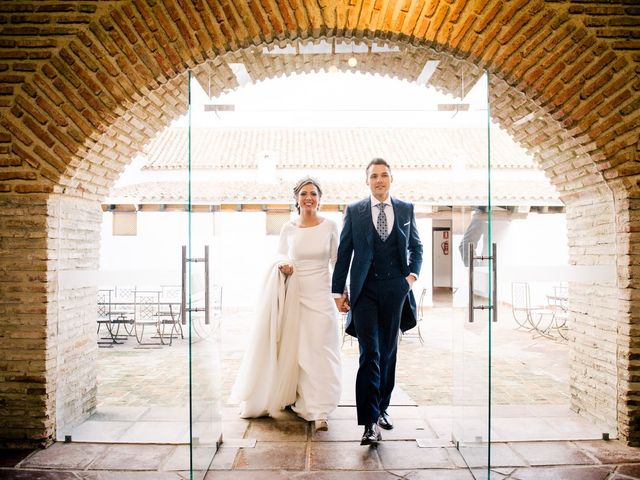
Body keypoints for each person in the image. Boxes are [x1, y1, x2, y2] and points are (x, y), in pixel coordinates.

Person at [230, 177, 342, 432]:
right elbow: (280, 255)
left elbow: (337, 262)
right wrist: (283, 265)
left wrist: (340, 294)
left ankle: (320, 408)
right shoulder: (288, 229)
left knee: (322, 350)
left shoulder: (330, 227)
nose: (309, 198)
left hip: (322, 297)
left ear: (319, 198)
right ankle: (302, 402)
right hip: (296, 295)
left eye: (313, 193)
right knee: (300, 350)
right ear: (297, 199)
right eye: (304, 194)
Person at [331, 158, 423, 445]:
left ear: (391, 179)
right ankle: (369, 423)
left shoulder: (406, 209)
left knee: (388, 352)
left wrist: (410, 279)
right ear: (367, 181)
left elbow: (416, 246)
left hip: (396, 289)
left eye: (384, 175)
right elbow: (345, 252)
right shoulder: (355, 210)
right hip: (365, 291)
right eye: (374, 176)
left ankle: (383, 407)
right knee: (369, 353)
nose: (379, 180)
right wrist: (337, 292)